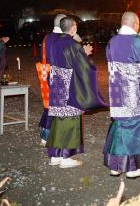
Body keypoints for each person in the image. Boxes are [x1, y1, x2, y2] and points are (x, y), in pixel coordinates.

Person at [103, 11, 140, 178]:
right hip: (134, 91)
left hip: (116, 88)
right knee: (134, 125)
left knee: (120, 124)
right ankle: (130, 168)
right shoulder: (139, 43)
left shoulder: (112, 41)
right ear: (136, 25)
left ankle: (115, 166)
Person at [46, 17, 107, 168]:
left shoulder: (54, 42)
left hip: (56, 83)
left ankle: (55, 155)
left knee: (58, 118)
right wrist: (84, 53)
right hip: (69, 84)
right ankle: (66, 157)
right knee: (70, 118)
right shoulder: (72, 44)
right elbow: (83, 67)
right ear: (73, 28)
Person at [38, 13, 67, 146]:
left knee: (49, 105)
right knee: (56, 107)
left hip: (46, 73)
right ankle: (48, 135)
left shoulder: (47, 37)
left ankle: (44, 134)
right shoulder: (61, 38)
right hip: (58, 75)